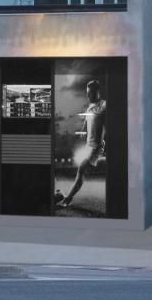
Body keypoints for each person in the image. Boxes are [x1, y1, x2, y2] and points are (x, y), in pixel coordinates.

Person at [56, 78, 106, 210]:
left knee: (81, 169)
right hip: (88, 146)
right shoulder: (90, 107)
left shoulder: (105, 105)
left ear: (98, 92)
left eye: (91, 93)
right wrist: (81, 133)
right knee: (81, 171)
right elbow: (86, 125)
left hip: (96, 147)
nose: (88, 96)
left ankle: (67, 200)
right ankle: (64, 197)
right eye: (87, 93)